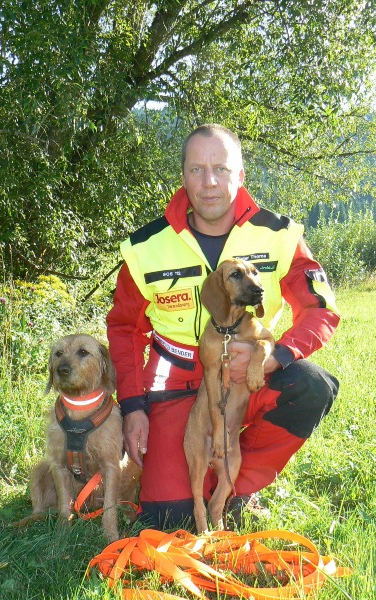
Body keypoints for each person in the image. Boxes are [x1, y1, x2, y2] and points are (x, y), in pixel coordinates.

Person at [106, 123, 340, 529]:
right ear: (183, 177)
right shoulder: (147, 247)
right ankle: (201, 478)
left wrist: (275, 357)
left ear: (240, 175)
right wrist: (132, 406)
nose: (209, 182)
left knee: (312, 385)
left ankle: (238, 489)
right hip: (175, 385)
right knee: (169, 519)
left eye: (221, 168)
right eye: (197, 169)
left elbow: (321, 310)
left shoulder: (280, 235)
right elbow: (124, 329)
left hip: (249, 377)